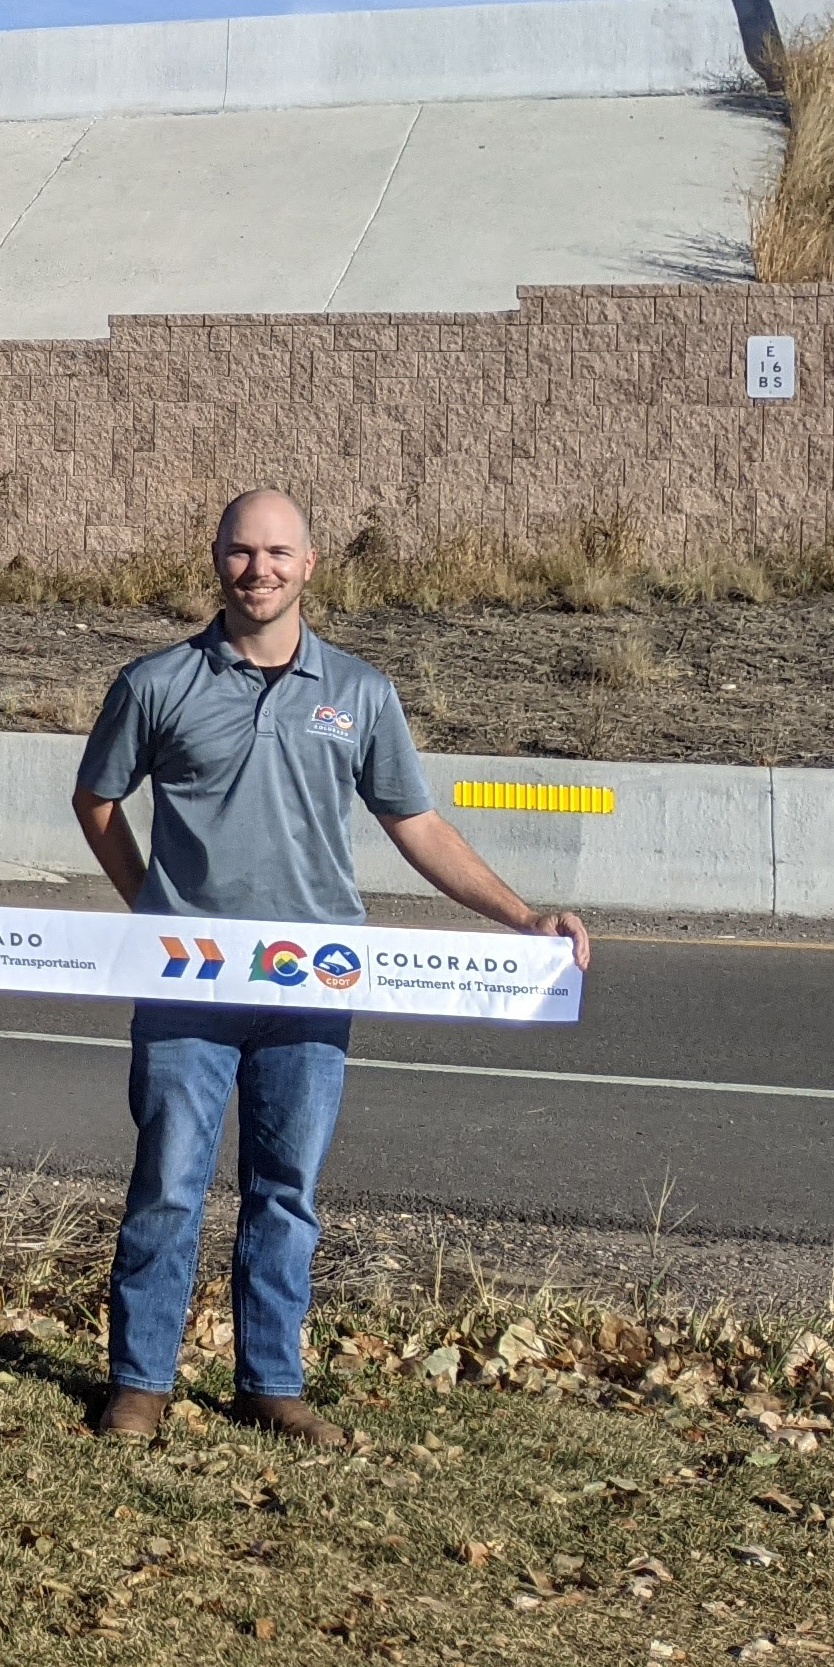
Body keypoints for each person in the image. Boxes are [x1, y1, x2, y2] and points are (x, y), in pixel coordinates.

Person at [75, 489, 595, 1446]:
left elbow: (419, 824)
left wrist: (524, 916)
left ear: (310, 564)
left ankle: (270, 1383)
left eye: (278, 552)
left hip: (315, 986)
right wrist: (154, 910)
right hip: (188, 985)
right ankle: (141, 1384)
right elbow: (98, 799)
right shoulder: (155, 684)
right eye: (241, 552)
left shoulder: (358, 692)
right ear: (215, 558)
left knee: (286, 1193)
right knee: (167, 1183)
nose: (258, 569)